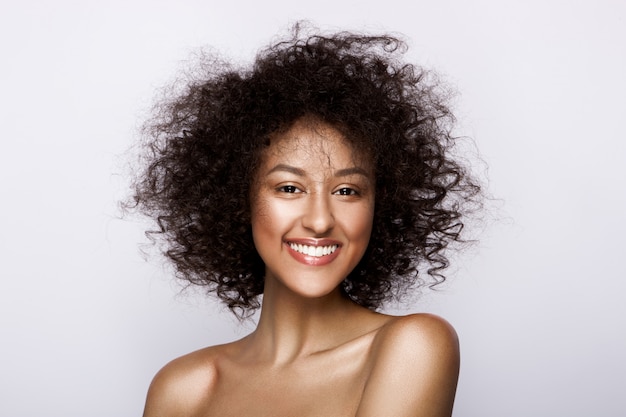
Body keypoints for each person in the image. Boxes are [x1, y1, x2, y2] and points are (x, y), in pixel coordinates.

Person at [131, 24, 480, 417]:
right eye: (289, 188)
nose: (319, 221)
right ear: (235, 199)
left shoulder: (412, 346)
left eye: (347, 191)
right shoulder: (183, 389)